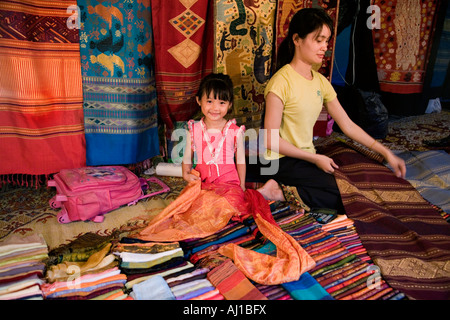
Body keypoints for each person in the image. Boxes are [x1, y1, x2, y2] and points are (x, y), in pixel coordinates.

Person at [253, 8, 406, 212]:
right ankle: (278, 192)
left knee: (358, 186)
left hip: (305, 157)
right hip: (279, 160)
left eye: (326, 41)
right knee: (346, 198)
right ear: (297, 39)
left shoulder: (320, 82)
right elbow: (270, 140)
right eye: (319, 40)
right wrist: (315, 158)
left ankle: (285, 188)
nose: (324, 47)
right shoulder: (280, 82)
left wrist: (386, 153)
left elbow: (348, 125)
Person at [182, 73, 246, 191]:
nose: (215, 108)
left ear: (229, 104)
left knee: (226, 208)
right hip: (202, 183)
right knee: (197, 207)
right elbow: (187, 158)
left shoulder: (235, 131)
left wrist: (242, 185)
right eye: (209, 101)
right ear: (199, 100)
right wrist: (186, 174)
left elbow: (241, 161)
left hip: (229, 185)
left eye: (222, 103)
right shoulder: (193, 130)